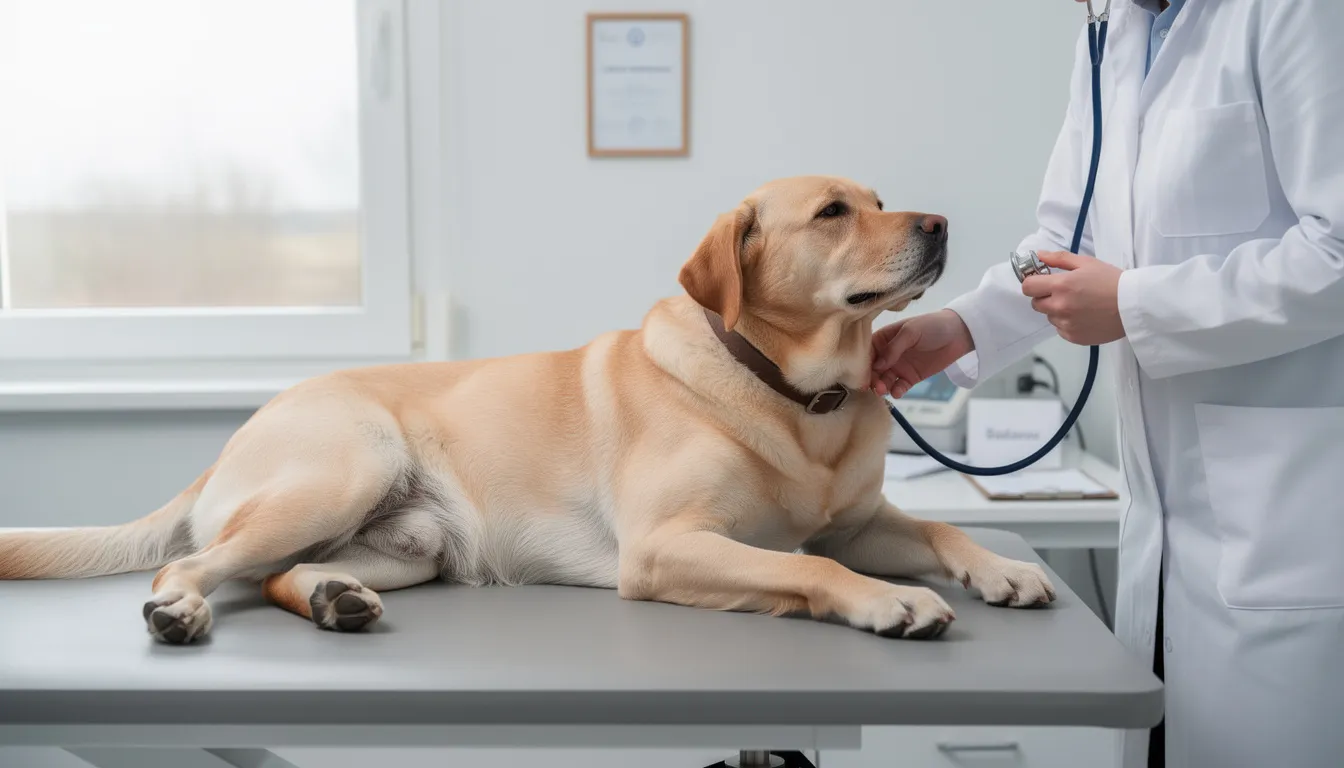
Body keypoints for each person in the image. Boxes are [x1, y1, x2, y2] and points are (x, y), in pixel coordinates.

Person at [868, 1, 1344, 766]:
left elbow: (1337, 251)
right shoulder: (1114, 33)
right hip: (1162, 528)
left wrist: (1132, 303)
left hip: (1288, 519)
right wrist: (962, 327)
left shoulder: (1297, 13)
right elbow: (1065, 241)